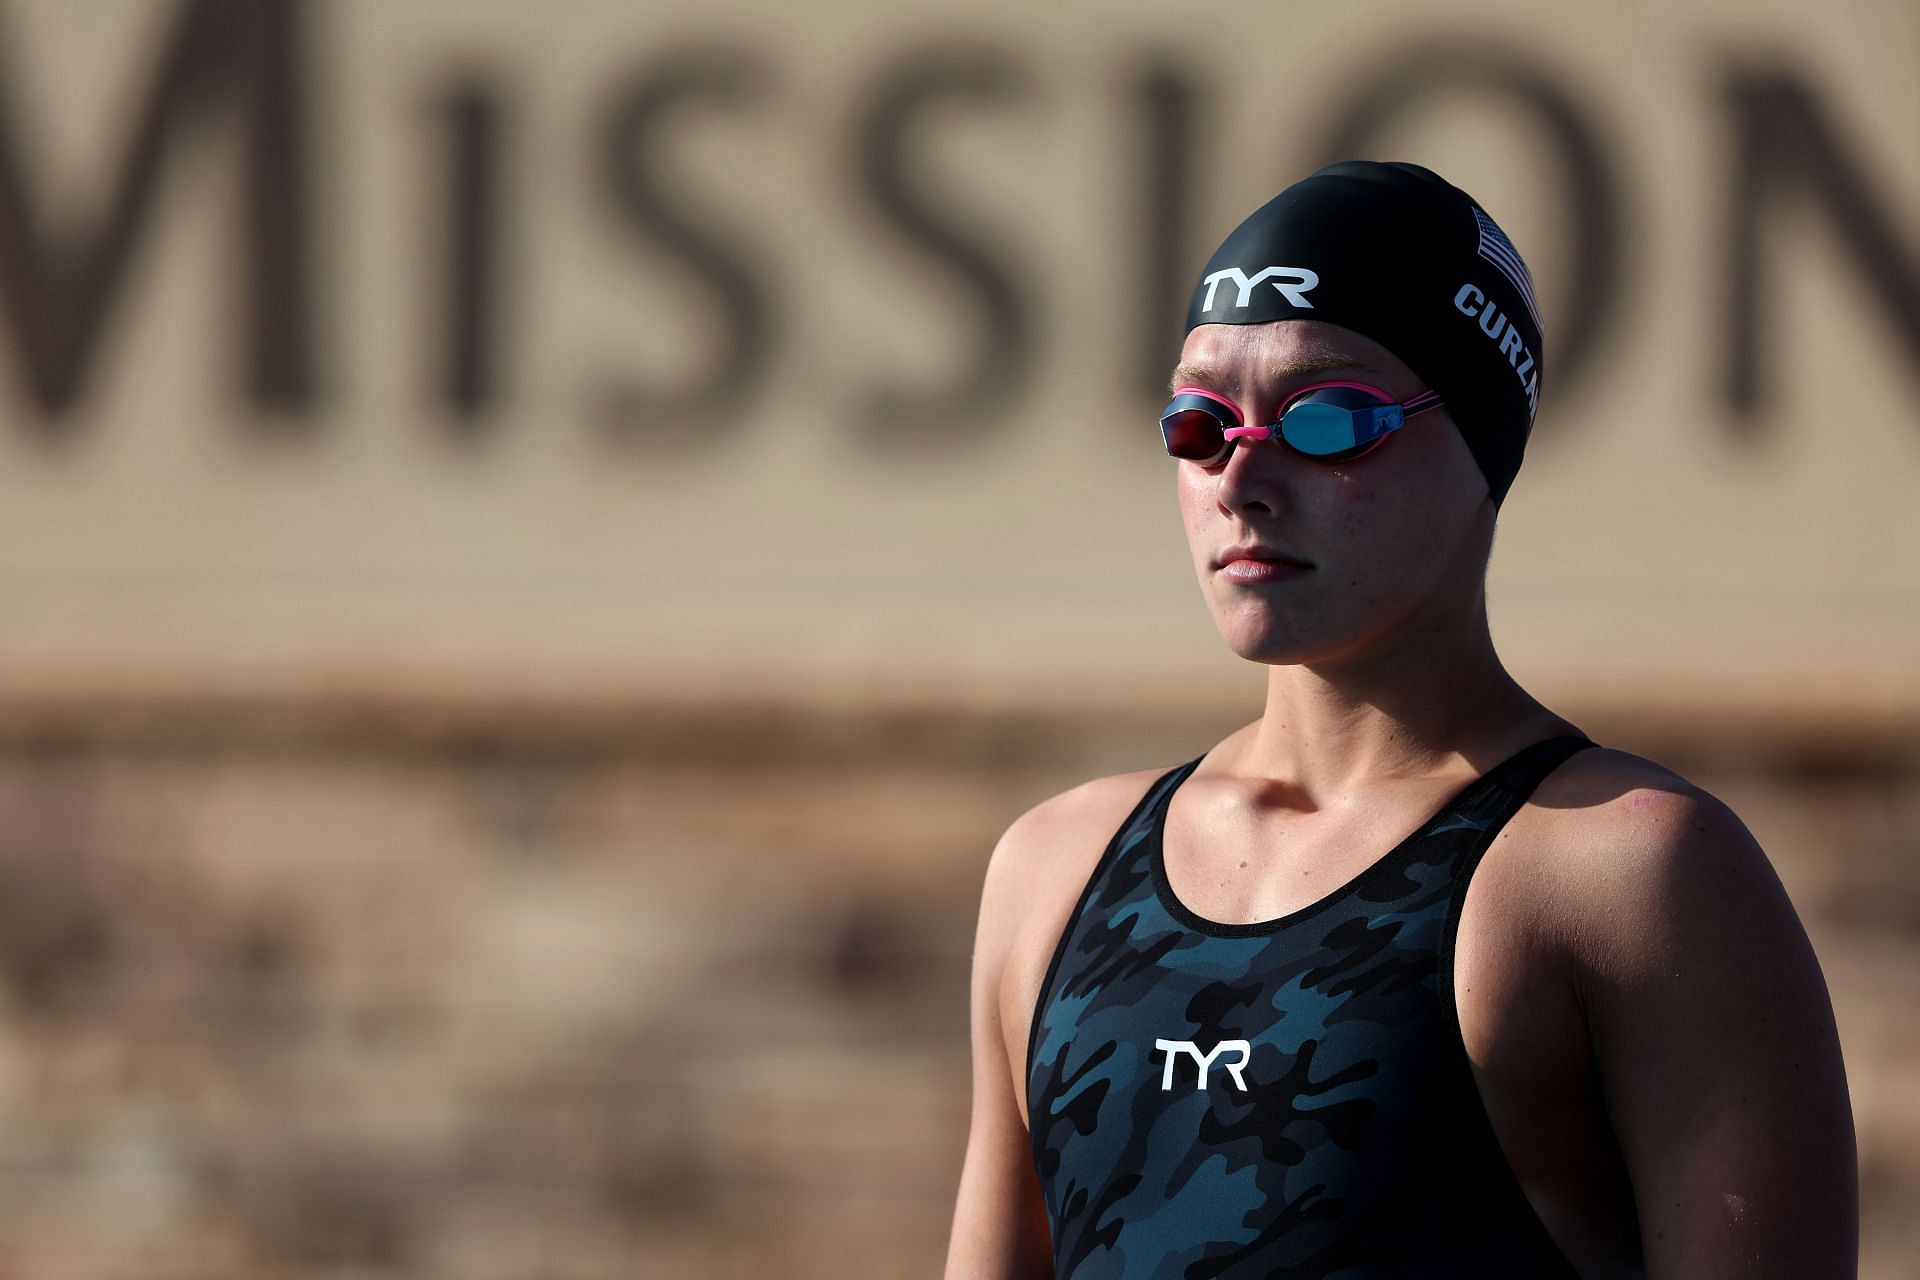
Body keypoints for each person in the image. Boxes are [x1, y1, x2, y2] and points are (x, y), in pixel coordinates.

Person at [943, 161, 1857, 1278]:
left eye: (1328, 418)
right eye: (1198, 422)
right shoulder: (1052, 868)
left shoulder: (1627, 874)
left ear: (1481, 446)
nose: (1242, 474)